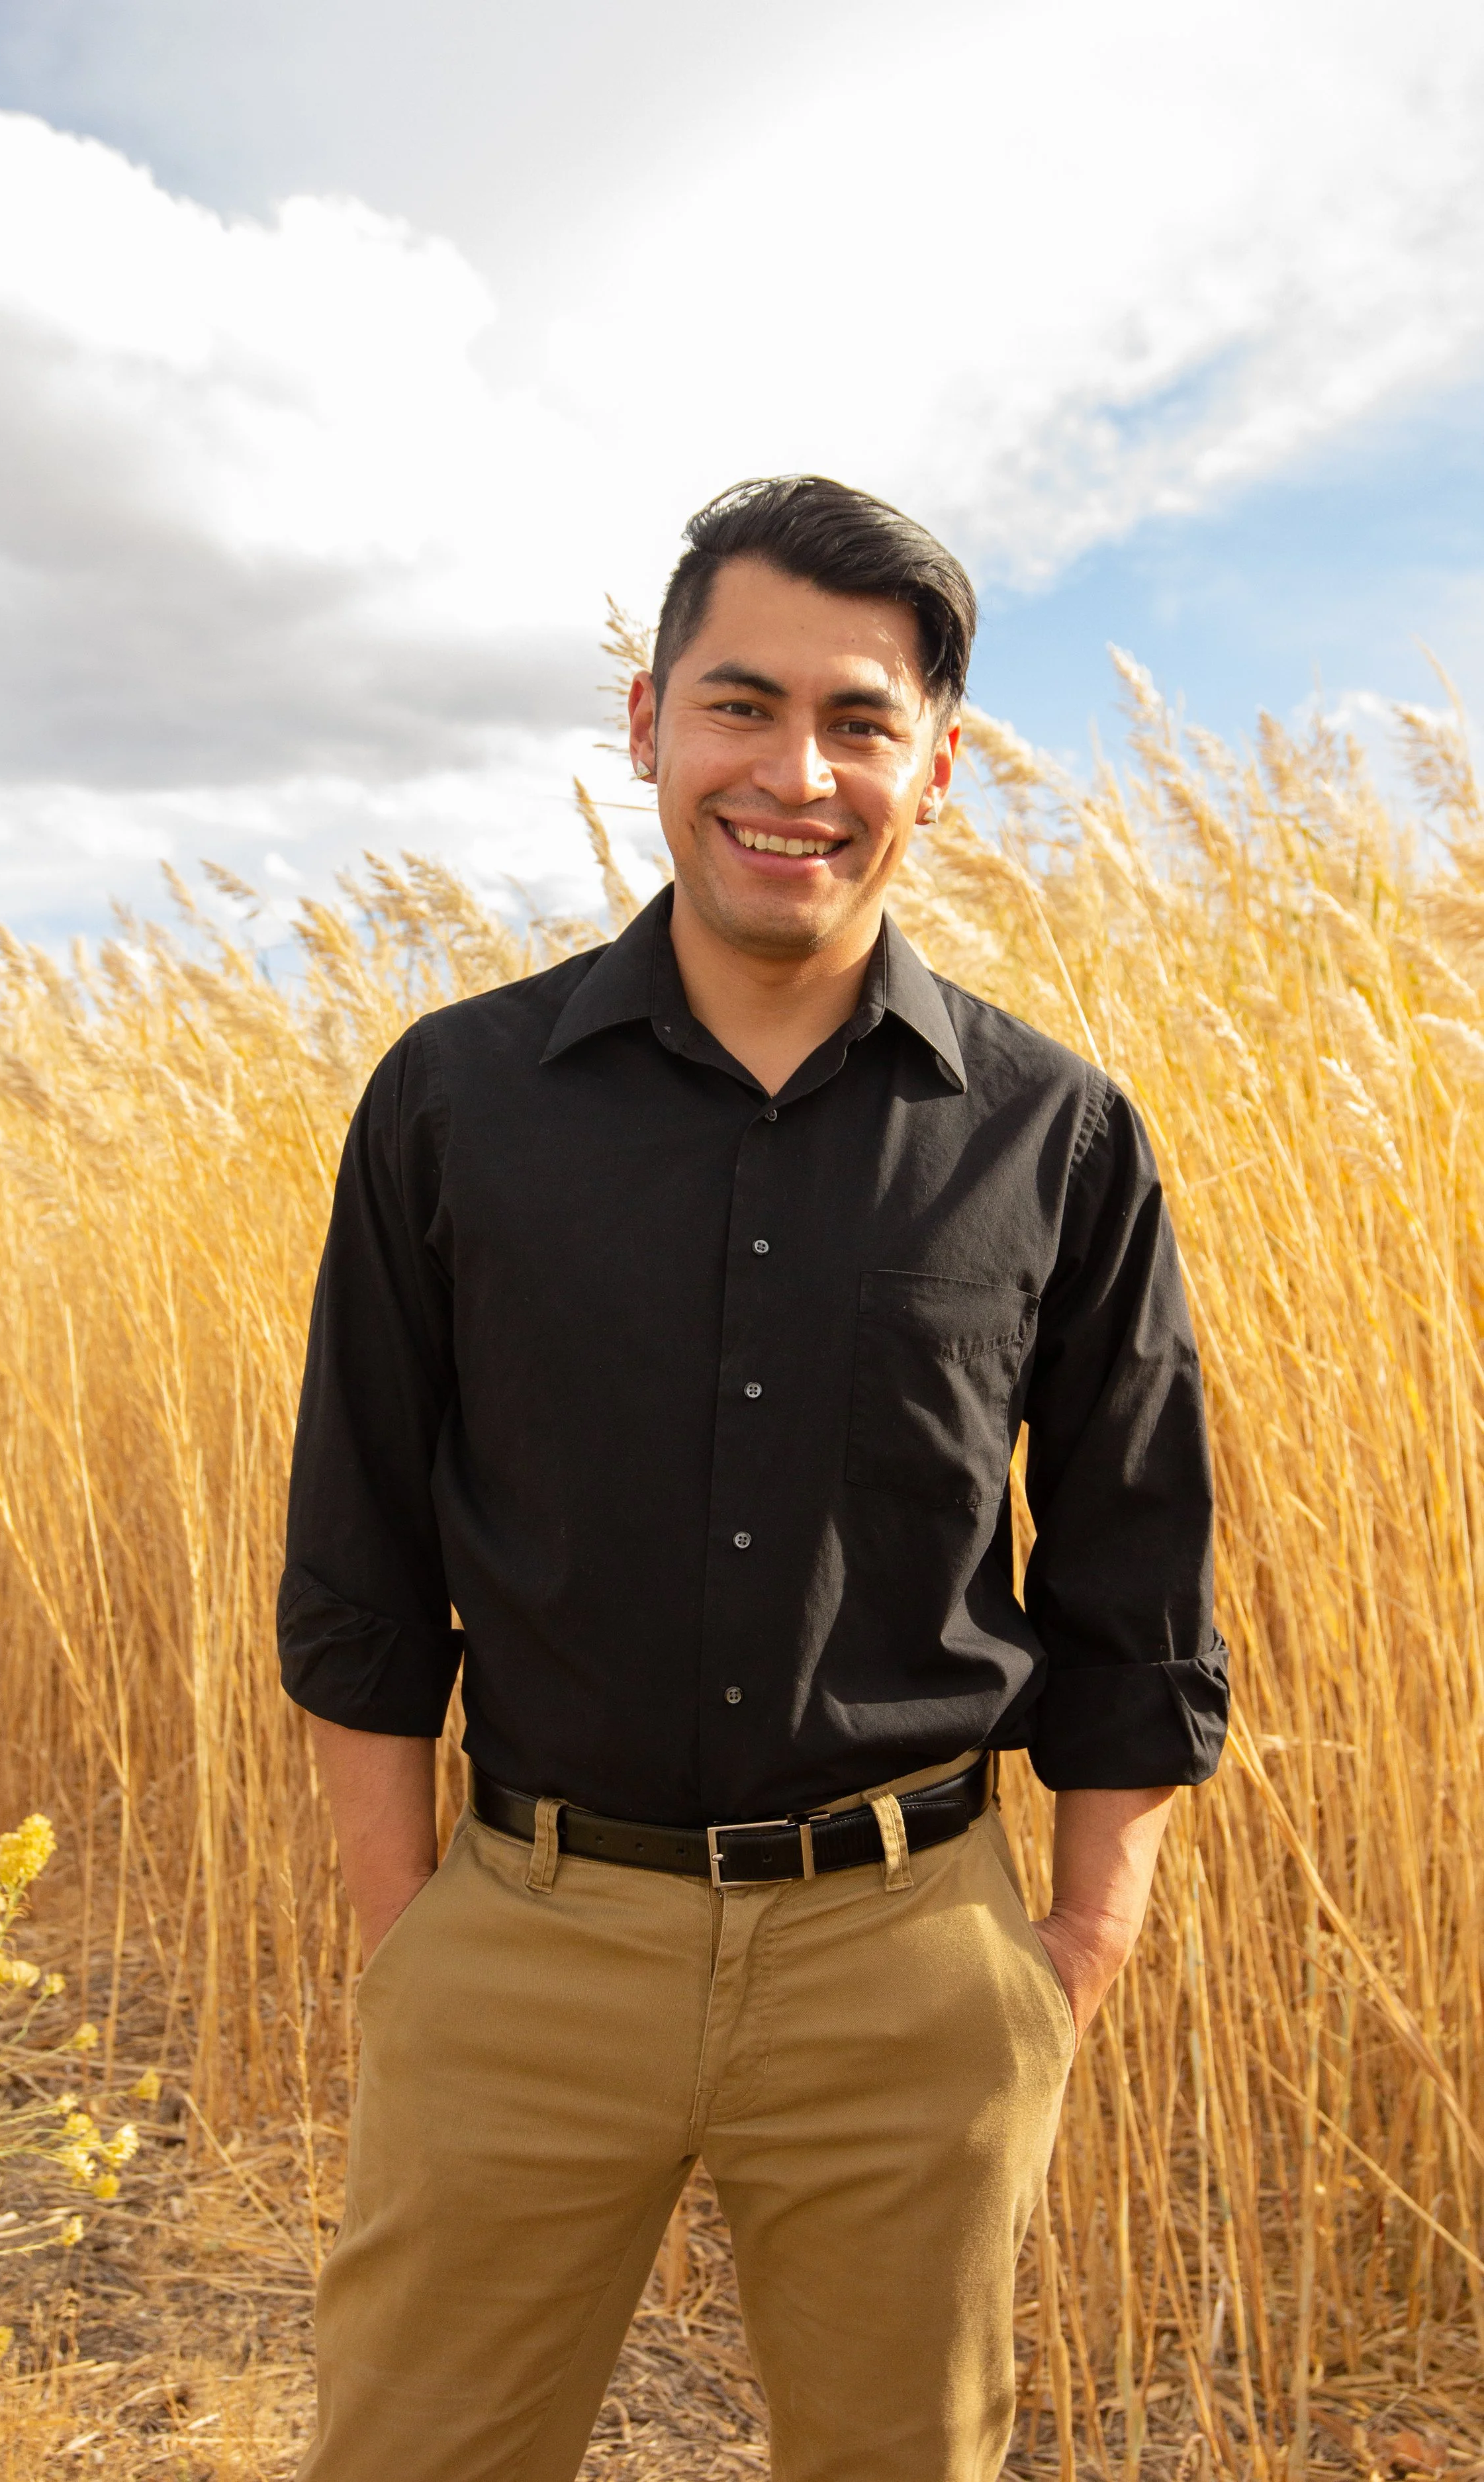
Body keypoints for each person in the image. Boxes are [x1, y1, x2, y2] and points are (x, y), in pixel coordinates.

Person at [278, 474, 1228, 2482]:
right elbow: (358, 1541)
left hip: (911, 1964)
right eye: (738, 704)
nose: (794, 771)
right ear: (644, 725)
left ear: (936, 765)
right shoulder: (454, 1100)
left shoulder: (1055, 1133)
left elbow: (1134, 1559)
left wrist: (1074, 1944)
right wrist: (413, 1930)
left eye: (858, 720)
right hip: (529, 1944)